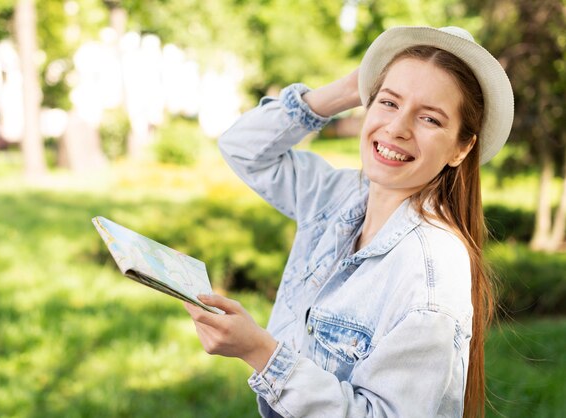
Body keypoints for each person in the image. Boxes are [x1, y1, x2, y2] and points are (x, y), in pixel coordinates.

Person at [184, 25, 514, 417]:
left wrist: (260, 351)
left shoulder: (430, 270)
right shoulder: (337, 197)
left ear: (462, 147)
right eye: (389, 103)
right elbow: (242, 148)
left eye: (429, 119)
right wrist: (349, 89)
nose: (396, 128)